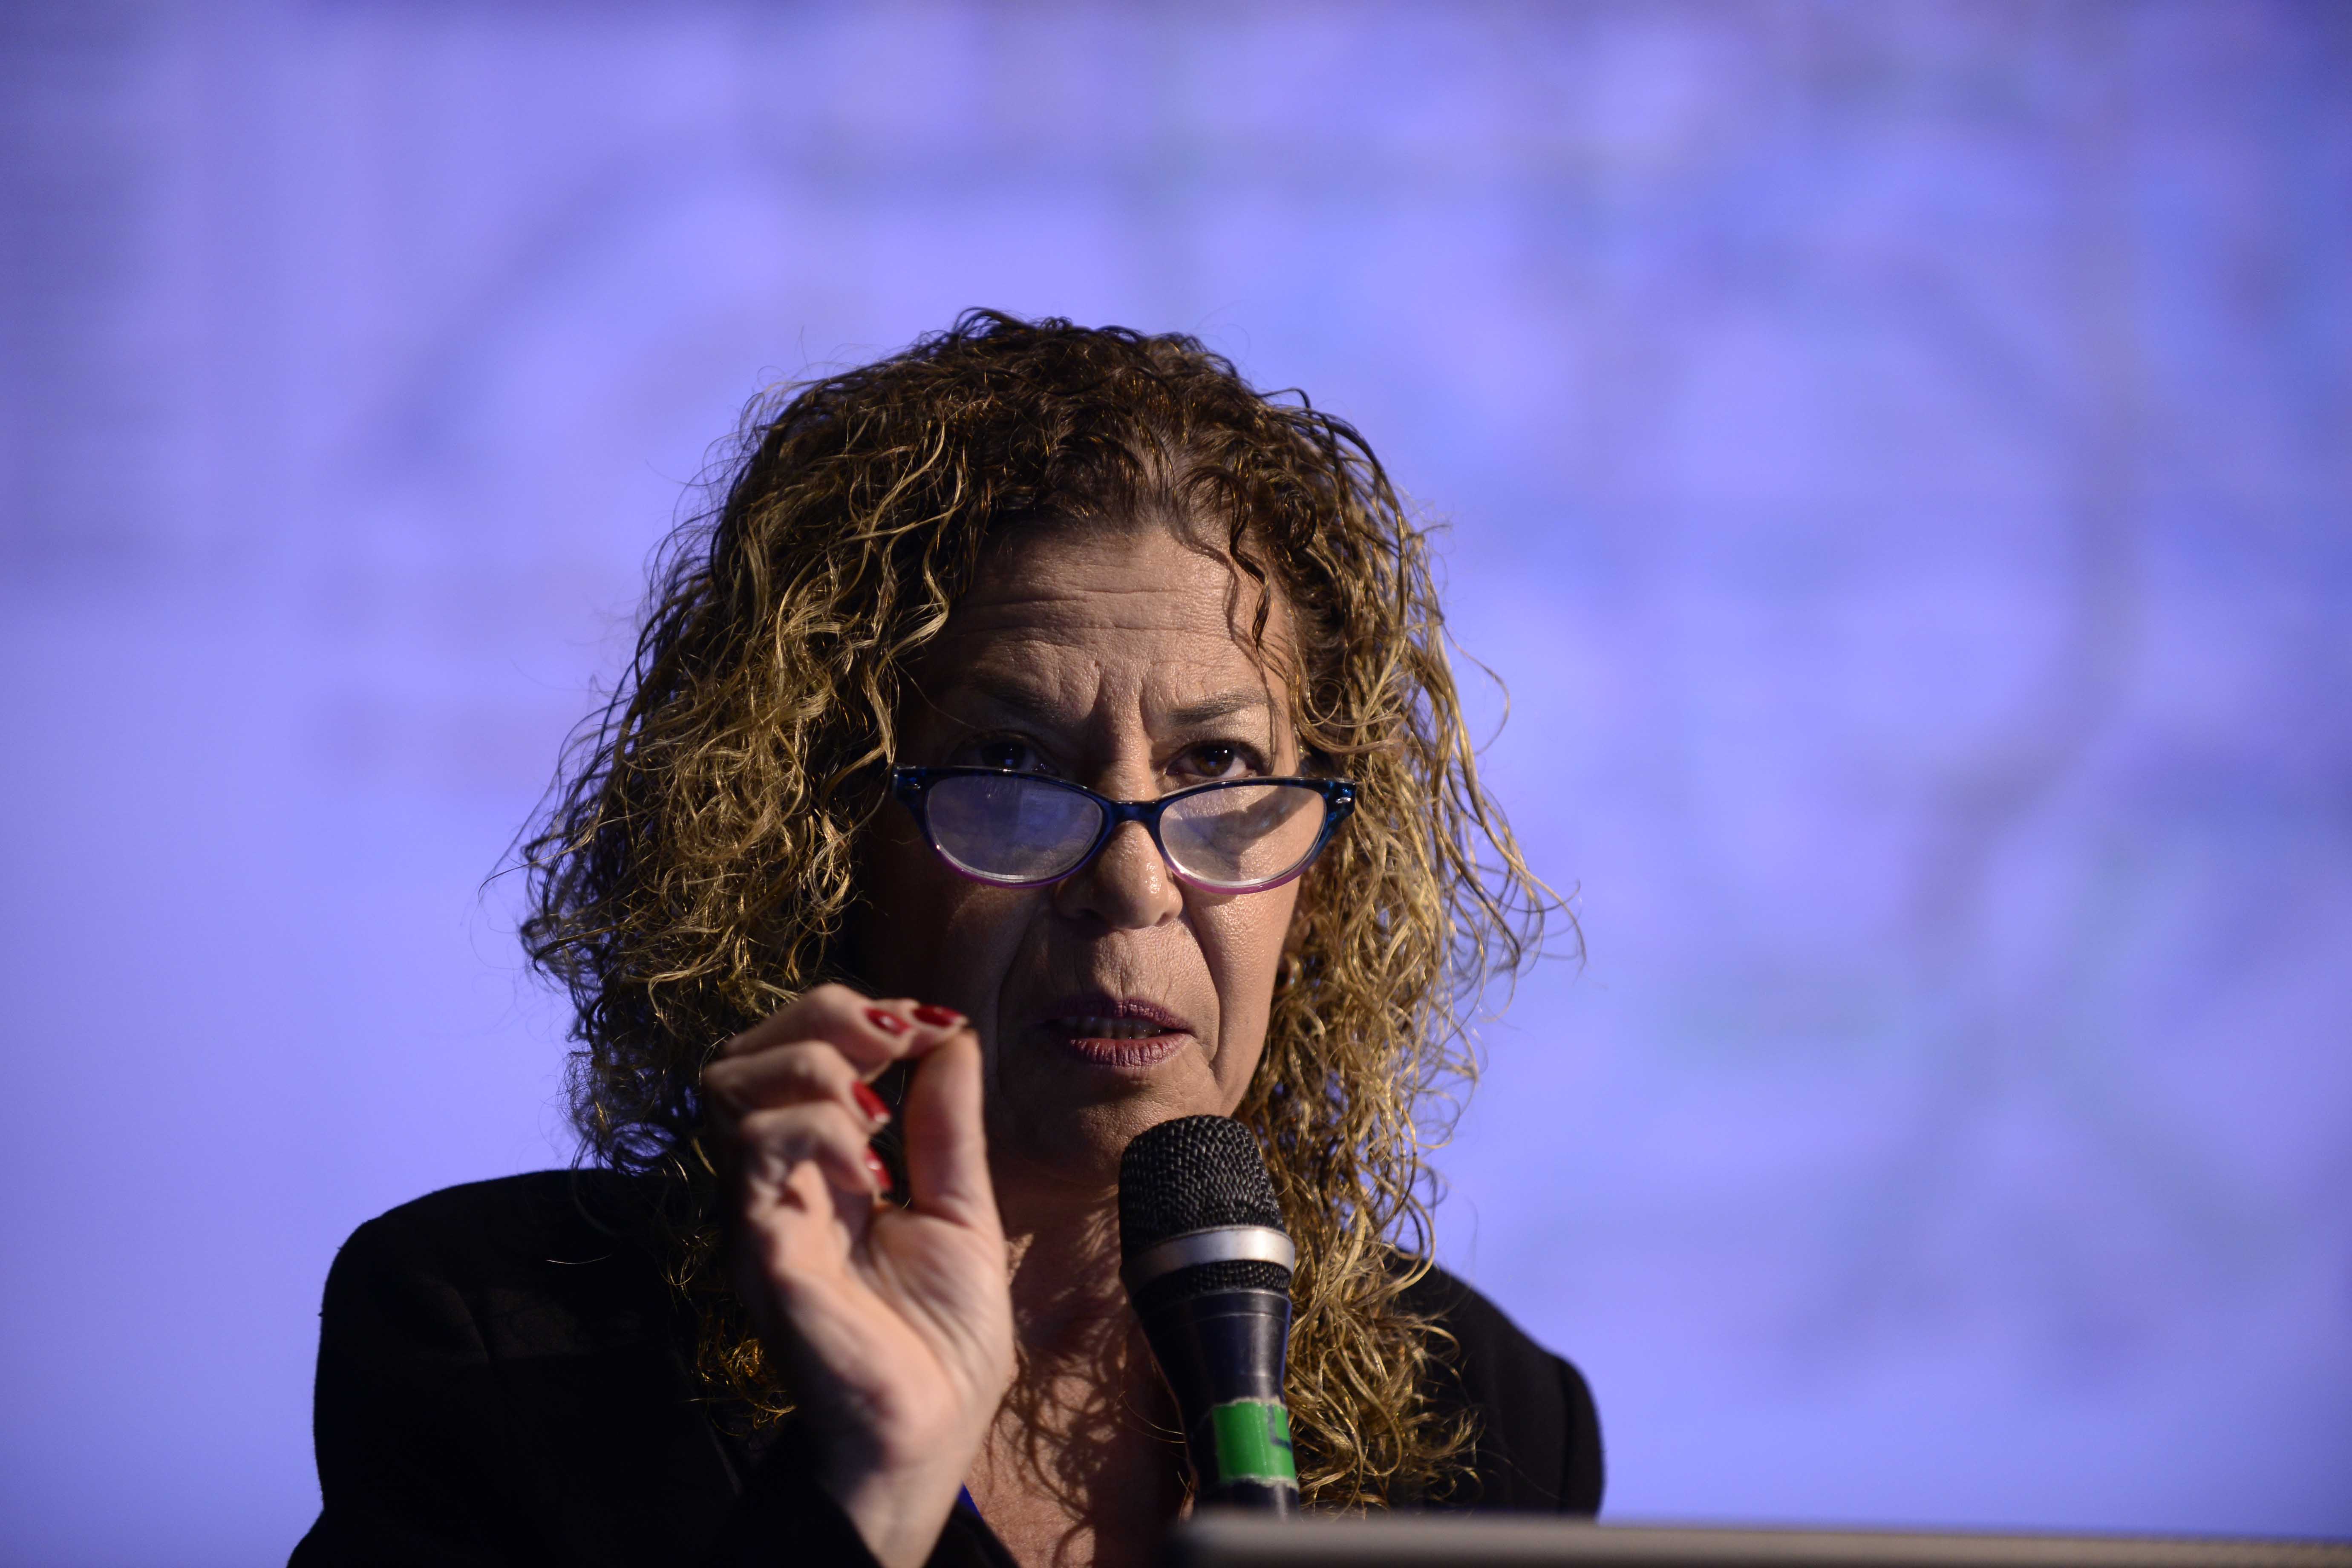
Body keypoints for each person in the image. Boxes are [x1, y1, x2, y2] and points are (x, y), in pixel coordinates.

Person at [291, 312, 1600, 1568]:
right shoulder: (497, 1350)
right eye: (1013, 764)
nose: (1132, 883)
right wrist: (869, 1489)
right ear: (816, 834)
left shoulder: (1490, 1419)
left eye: (1217, 763)